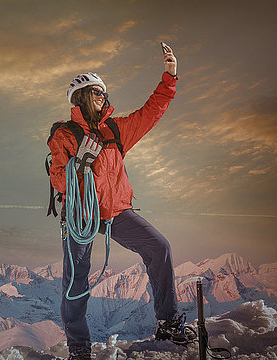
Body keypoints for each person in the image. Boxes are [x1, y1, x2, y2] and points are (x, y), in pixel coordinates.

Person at [48, 44, 191, 360]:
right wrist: (79, 165)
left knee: (159, 247)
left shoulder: (114, 130)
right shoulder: (65, 133)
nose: (103, 97)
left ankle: (168, 323)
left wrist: (170, 76)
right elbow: (59, 179)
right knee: (76, 282)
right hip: (79, 214)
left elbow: (150, 113)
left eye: (104, 93)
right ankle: (79, 348)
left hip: (115, 210)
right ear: (82, 96)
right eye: (97, 92)